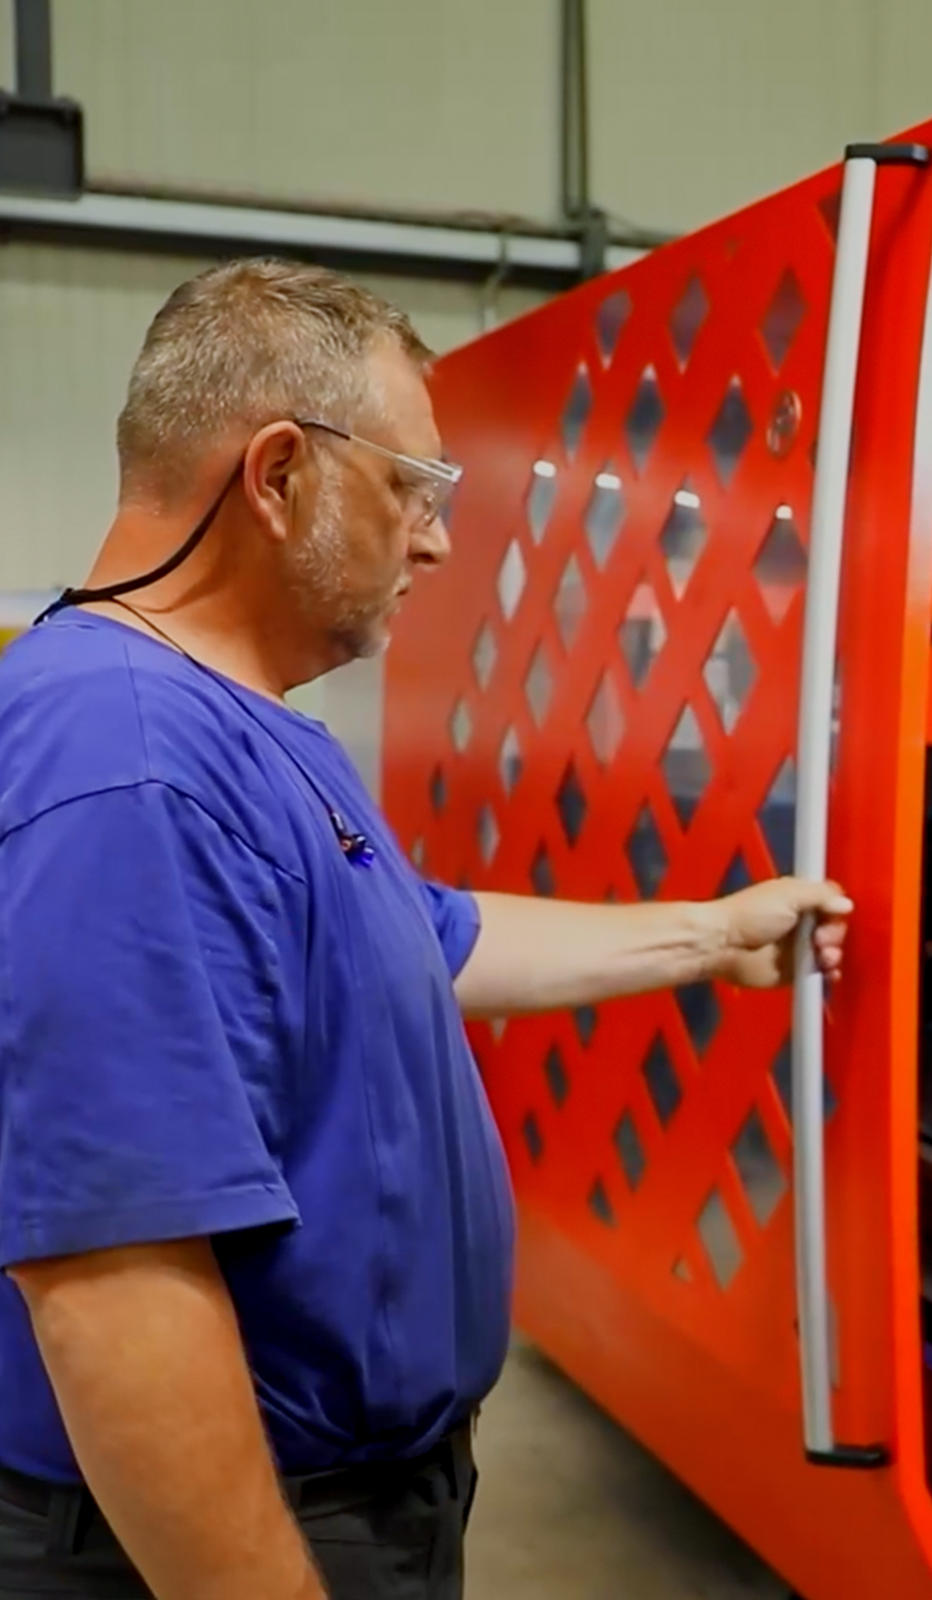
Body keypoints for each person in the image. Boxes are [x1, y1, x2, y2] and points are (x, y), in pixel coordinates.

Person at [0, 259, 852, 1600]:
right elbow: (114, 1281)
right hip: (219, 1534)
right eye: (413, 487)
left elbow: (431, 937)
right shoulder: (129, 756)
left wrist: (713, 934)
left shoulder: (245, 728)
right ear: (278, 477)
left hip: (362, 1497)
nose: (439, 540)